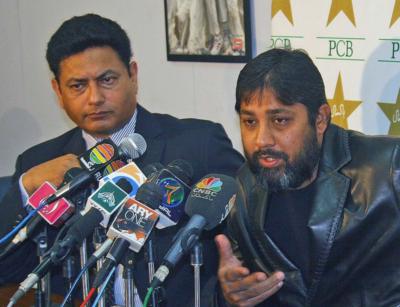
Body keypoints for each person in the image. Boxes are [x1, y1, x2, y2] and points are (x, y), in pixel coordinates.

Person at [0, 13, 244, 306]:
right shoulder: (38, 162)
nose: (94, 98)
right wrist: (27, 187)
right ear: (57, 91)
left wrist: (232, 283)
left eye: (107, 80)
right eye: (78, 85)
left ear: (133, 75)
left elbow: (247, 239)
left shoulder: (198, 144)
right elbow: (7, 270)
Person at [215, 48, 400, 306]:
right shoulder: (247, 184)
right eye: (249, 122)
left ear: (321, 119)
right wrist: (232, 293)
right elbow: (248, 285)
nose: (261, 140)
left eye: (279, 120)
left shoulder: (387, 168)